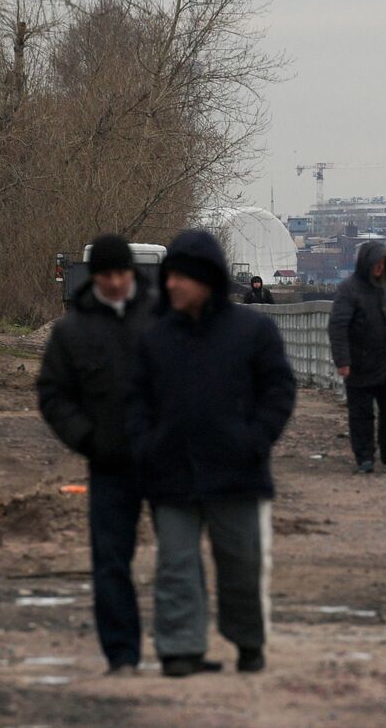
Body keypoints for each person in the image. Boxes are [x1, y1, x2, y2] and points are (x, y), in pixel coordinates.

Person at [128, 230, 296, 678]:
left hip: (237, 472)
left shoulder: (253, 330)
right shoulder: (155, 338)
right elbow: (135, 403)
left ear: (206, 279)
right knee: (176, 566)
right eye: (169, 278)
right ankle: (180, 649)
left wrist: (255, 439)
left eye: (181, 277)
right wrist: (147, 446)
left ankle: (248, 643)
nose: (171, 286)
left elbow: (278, 391)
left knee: (241, 564)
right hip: (171, 473)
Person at [36, 234, 155, 677]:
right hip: (108, 464)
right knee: (110, 563)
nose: (115, 283)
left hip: (163, 459)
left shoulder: (162, 317)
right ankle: (122, 656)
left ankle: (183, 647)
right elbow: (52, 394)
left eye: (122, 274)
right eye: (107, 276)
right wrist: (87, 439)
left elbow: (191, 381)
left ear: (132, 273)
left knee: (180, 558)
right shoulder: (73, 331)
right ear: (96, 277)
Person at [327, 241, 386, 474]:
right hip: (359, 364)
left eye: (383, 263)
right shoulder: (349, 289)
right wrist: (343, 361)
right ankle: (364, 457)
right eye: (376, 263)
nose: (379, 267)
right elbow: (338, 326)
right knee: (362, 414)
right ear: (366, 263)